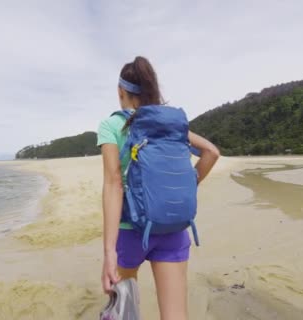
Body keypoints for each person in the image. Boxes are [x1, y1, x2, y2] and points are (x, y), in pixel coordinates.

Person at [97, 56, 220, 320]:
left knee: (125, 310)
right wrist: (190, 182)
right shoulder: (171, 126)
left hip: (131, 232)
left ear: (121, 92)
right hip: (173, 229)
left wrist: (108, 252)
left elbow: (113, 183)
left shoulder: (113, 125)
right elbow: (211, 152)